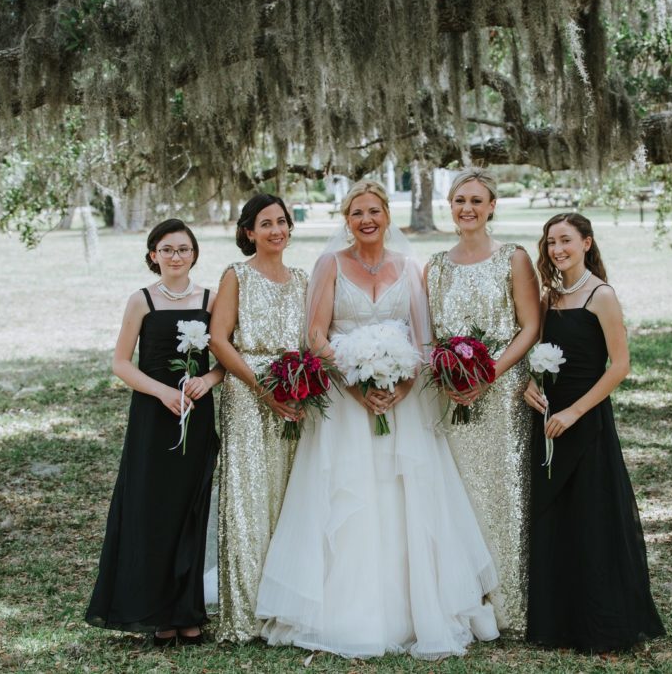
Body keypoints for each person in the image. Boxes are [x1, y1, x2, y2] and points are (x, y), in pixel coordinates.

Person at [255, 180, 499, 660]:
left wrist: (401, 386)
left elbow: (424, 340)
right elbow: (317, 334)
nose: (366, 219)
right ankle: (345, 611)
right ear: (346, 220)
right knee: (350, 497)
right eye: (356, 213)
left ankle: (413, 610)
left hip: (400, 401)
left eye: (374, 211)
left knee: (401, 496)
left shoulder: (411, 267)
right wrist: (355, 382)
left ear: (388, 215)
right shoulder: (330, 265)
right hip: (347, 402)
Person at [523, 212, 665, 652]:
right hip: (548, 418)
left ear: (586, 243)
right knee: (554, 518)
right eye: (550, 242)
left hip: (585, 419)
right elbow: (535, 347)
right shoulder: (549, 296)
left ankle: (600, 625)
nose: (557, 249)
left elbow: (619, 366)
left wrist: (577, 412)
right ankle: (558, 622)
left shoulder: (601, 295)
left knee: (592, 519)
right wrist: (529, 383)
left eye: (565, 240)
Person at [86, 219, 222, 646]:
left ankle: (188, 611)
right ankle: (159, 613)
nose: (175, 256)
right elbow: (122, 363)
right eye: (167, 249)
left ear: (195, 254)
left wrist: (209, 380)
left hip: (195, 414)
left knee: (190, 507)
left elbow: (224, 358)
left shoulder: (212, 300)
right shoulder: (141, 301)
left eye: (183, 249)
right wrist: (163, 392)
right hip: (153, 414)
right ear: (153, 256)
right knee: (153, 509)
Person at [425, 167, 539, 636]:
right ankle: (466, 606)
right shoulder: (434, 266)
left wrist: (488, 374)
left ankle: (510, 605)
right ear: (450, 208)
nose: (467, 209)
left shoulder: (513, 258)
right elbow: (430, 333)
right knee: (457, 499)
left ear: (492, 206)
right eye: (459, 201)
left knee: (506, 496)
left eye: (476, 200)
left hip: (503, 393)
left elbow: (529, 326)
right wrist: (449, 374)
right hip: (451, 397)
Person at [208, 194, 308, 643]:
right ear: (249, 231)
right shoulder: (236, 275)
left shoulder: (304, 280)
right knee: (250, 500)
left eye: (282, 222)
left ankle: (286, 611)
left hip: (299, 395)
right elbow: (219, 340)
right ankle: (246, 616)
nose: (276, 231)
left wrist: (305, 385)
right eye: (265, 224)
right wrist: (261, 388)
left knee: (292, 499)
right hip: (249, 397)